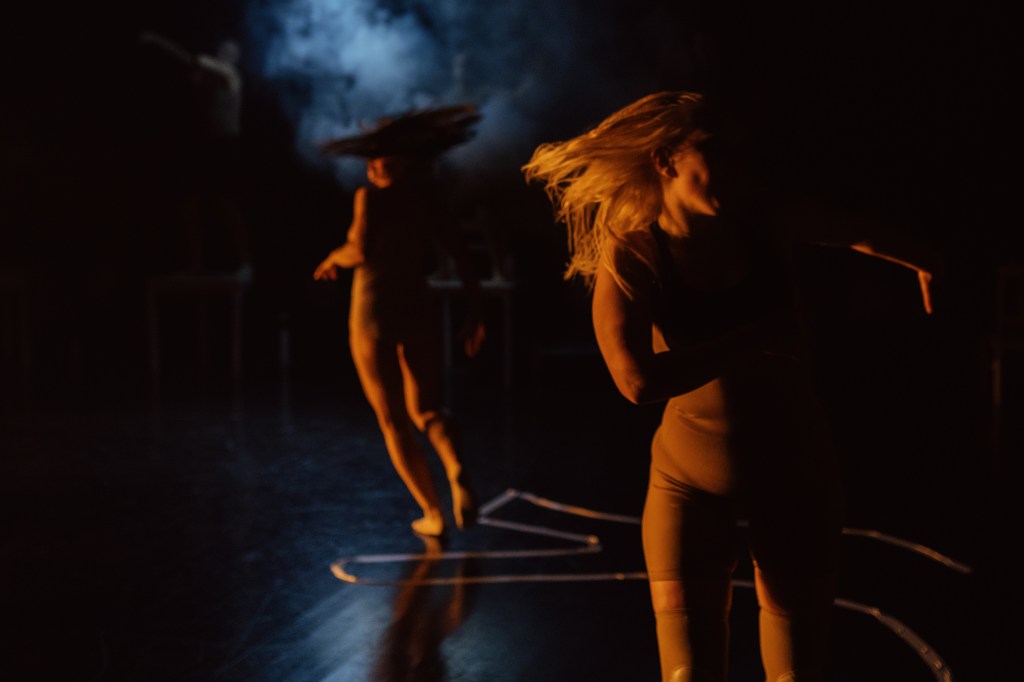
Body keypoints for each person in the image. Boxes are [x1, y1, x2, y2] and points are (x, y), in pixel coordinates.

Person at [523, 92, 940, 682]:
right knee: (688, 675)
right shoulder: (635, 252)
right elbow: (636, 382)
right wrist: (756, 337)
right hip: (687, 484)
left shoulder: (764, 221)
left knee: (795, 676)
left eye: (742, 156)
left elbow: (852, 231)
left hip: (795, 473)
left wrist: (926, 260)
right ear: (665, 160)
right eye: (716, 153)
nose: (736, 171)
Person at [314, 106, 486, 538]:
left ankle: (433, 513)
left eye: (377, 160)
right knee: (427, 408)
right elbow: (462, 255)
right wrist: (475, 311)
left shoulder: (370, 198)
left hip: (373, 313)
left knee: (392, 420)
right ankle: (456, 466)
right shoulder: (427, 200)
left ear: (397, 163)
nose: (370, 167)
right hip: (417, 308)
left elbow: (360, 250)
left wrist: (334, 256)